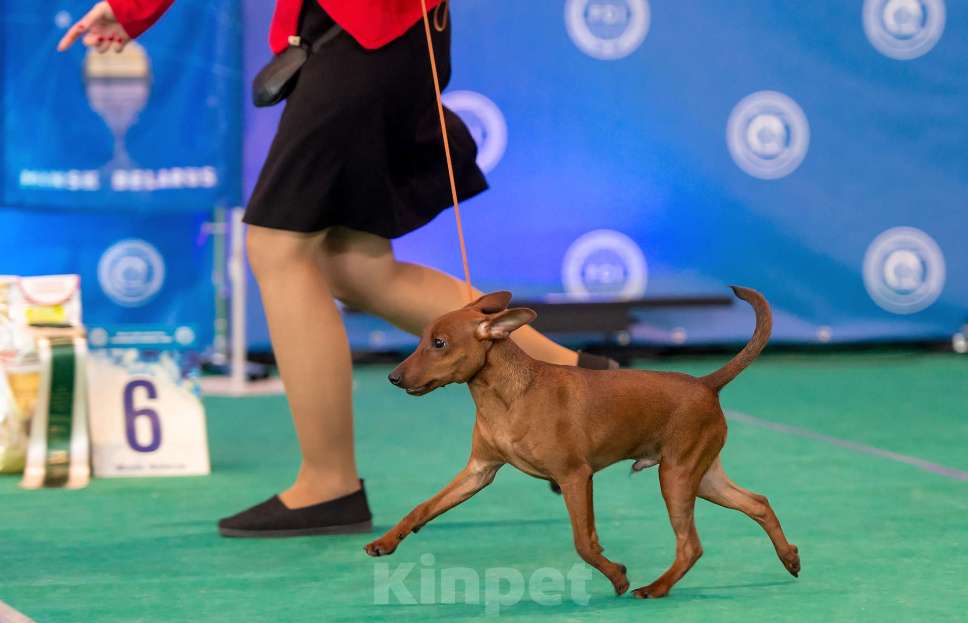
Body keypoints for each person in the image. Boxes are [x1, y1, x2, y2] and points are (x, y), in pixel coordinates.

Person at [59, 0, 617, 538]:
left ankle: (328, 483)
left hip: (365, 34)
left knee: (279, 247)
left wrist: (135, 5)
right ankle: (588, 382)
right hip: (381, 33)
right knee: (356, 264)